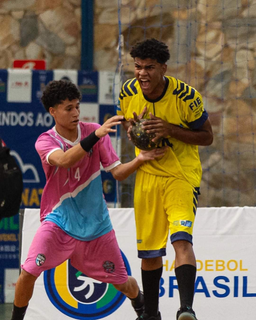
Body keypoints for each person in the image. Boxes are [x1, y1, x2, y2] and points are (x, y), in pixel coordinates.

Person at [10, 79, 167, 320]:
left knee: (123, 283)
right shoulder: (46, 140)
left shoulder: (94, 131)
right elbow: (64, 160)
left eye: (77, 106)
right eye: (68, 108)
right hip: (58, 222)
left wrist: (140, 159)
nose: (75, 112)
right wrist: (95, 135)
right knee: (29, 271)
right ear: (53, 111)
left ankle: (141, 304)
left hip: (96, 227)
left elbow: (117, 172)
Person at [117, 38, 213, 320]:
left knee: (181, 240)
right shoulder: (128, 92)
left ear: (163, 68)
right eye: (137, 67)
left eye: (149, 67)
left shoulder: (186, 96)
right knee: (149, 253)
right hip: (147, 174)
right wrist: (134, 131)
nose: (142, 74)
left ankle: (186, 309)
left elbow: (207, 136)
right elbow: (127, 123)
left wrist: (170, 129)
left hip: (180, 174)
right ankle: (150, 314)